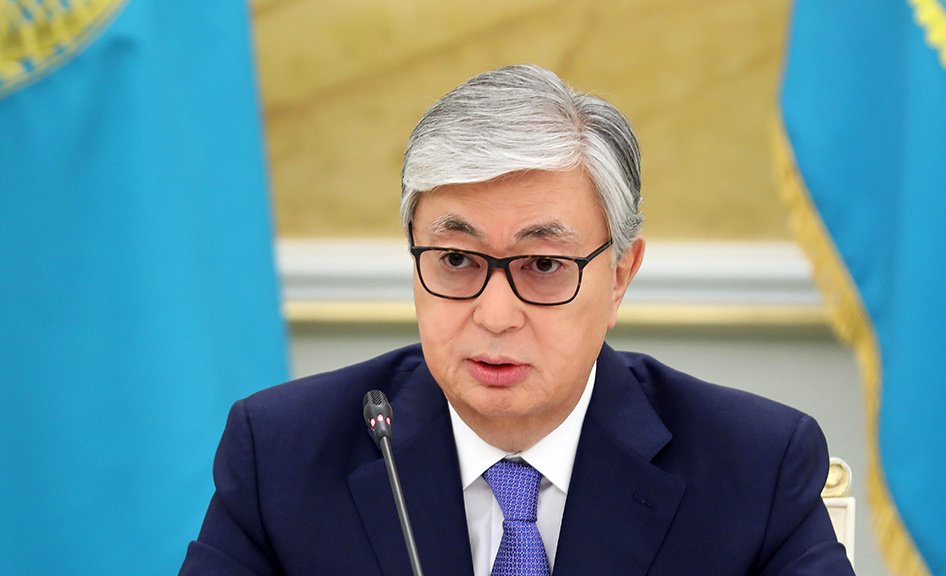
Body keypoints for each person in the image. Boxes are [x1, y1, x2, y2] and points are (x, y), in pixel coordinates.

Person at [179, 64, 855, 575]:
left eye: (542, 265)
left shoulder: (753, 467)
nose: (496, 315)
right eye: (455, 259)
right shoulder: (282, 455)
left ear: (620, 275)